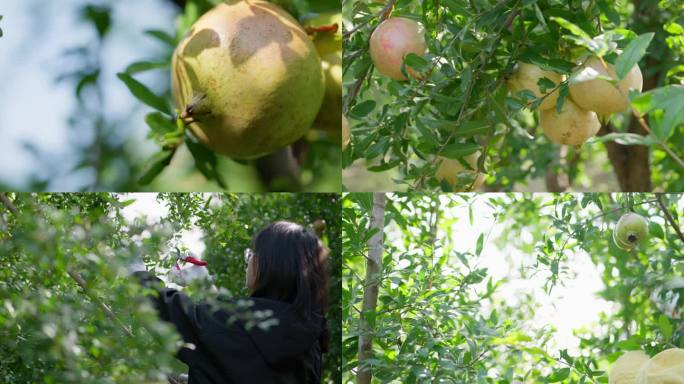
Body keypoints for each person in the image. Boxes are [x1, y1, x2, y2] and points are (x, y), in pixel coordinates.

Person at [130, 221, 330, 384]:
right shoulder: (309, 338)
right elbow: (237, 348)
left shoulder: (236, 327)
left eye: (251, 255)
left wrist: (136, 273)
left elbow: (170, 314)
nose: (248, 260)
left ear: (271, 265)